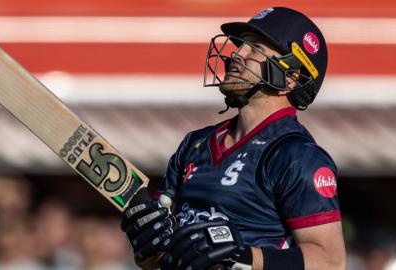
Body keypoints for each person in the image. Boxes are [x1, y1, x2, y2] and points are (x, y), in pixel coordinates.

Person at [121, 7, 346, 270]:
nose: (237, 54)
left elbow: (331, 261)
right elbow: (157, 260)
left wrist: (245, 258)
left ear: (290, 77)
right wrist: (148, 246)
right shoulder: (194, 144)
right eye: (241, 46)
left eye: (255, 48)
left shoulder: (296, 156)